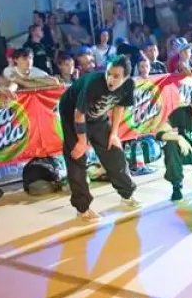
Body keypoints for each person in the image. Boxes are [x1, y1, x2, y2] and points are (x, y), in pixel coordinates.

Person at [59, 55, 139, 222]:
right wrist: (82, 141)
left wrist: (114, 134)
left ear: (125, 78)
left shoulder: (129, 86)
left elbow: (119, 106)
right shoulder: (94, 83)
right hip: (72, 114)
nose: (110, 78)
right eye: (108, 73)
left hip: (98, 116)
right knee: (77, 156)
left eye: (116, 76)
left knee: (114, 151)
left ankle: (127, 194)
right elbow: (79, 114)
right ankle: (82, 208)